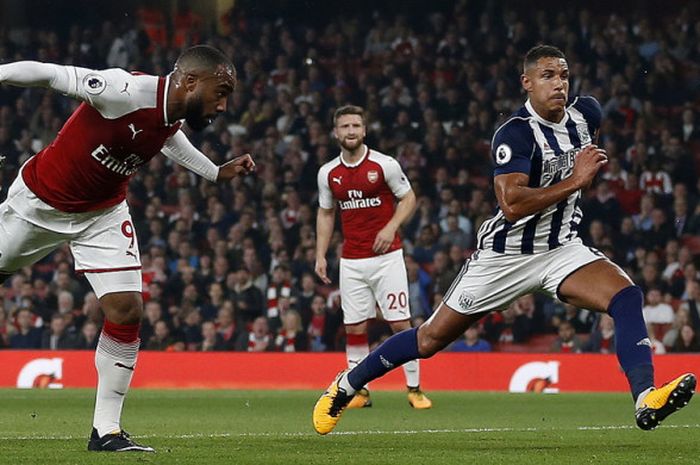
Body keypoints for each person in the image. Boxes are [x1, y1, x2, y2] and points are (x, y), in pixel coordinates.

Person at [312, 45, 695, 435]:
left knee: (626, 296)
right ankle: (345, 386)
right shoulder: (514, 133)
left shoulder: (588, 114)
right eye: (547, 75)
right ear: (526, 83)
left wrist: (573, 181)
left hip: (561, 247)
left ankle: (646, 397)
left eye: (563, 74)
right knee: (428, 340)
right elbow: (511, 204)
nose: (559, 83)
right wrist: (575, 181)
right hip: (504, 256)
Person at [0, 45, 255, 452]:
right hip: (38, 204)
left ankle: (106, 431)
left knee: (127, 310)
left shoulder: (171, 116)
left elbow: (170, 138)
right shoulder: (123, 89)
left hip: (101, 215)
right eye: (220, 92)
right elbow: (49, 74)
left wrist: (214, 173)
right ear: (190, 82)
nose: (223, 106)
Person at [315, 105, 432, 410]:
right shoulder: (328, 173)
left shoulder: (384, 165)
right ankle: (360, 392)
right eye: (344, 126)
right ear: (335, 132)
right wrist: (320, 254)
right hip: (352, 261)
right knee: (354, 327)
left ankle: (414, 389)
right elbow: (326, 213)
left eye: (355, 125)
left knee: (400, 324)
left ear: (364, 130)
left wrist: (390, 226)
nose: (351, 131)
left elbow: (408, 198)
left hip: (387, 257)